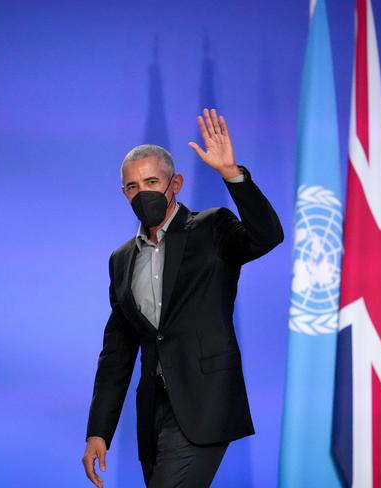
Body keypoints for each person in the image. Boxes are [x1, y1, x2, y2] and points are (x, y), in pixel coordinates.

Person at [82, 108, 284, 487]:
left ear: (175, 184)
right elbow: (118, 352)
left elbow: (267, 235)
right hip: (154, 413)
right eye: (132, 187)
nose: (142, 193)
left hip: (205, 403)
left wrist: (232, 175)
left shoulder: (211, 228)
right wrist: (98, 431)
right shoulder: (121, 260)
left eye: (152, 181)